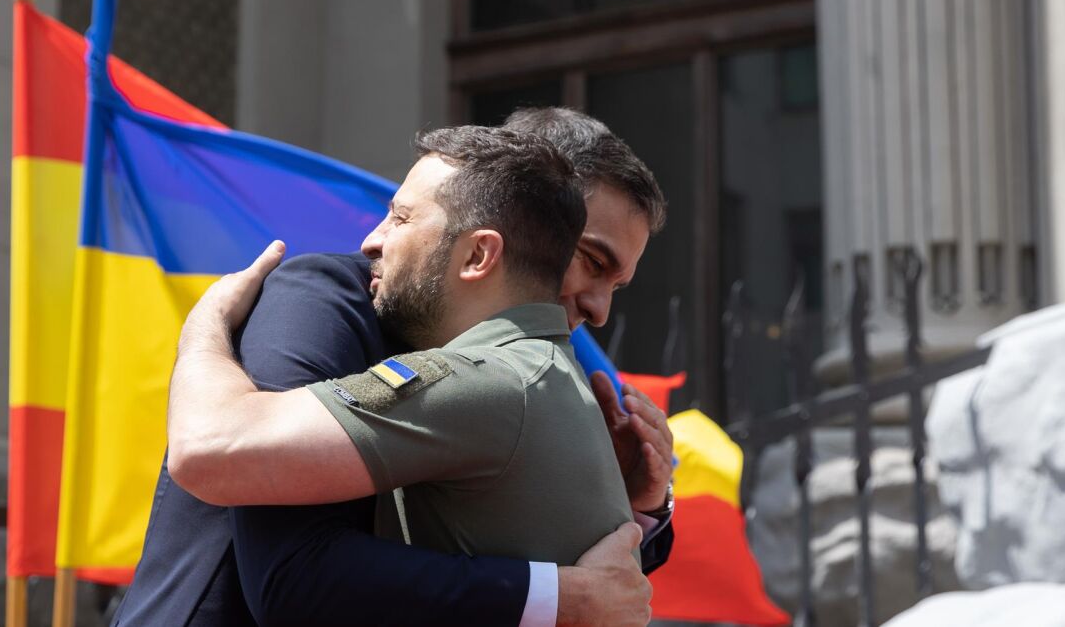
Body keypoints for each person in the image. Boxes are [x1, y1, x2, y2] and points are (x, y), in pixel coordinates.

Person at [113, 111, 671, 627]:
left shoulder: (521, 369)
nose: (600, 308)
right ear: (523, 217)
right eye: (591, 260)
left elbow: (605, 591)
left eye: (401, 218)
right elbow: (292, 571)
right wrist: (557, 596)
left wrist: (632, 508)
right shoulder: (326, 299)